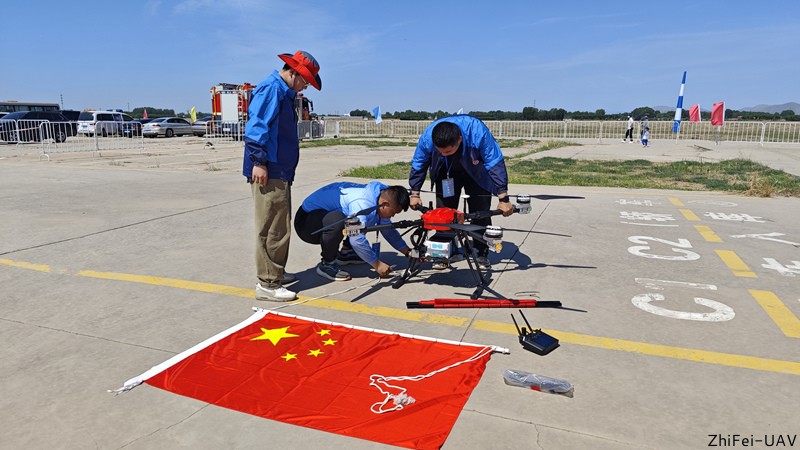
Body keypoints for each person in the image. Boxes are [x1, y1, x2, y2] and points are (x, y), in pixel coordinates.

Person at [243, 50, 322, 302]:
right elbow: (257, 126)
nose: (305, 87)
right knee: (272, 227)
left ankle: (274, 271)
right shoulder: (272, 89)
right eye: (304, 81)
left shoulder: (283, 92)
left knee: (279, 224)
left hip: (279, 169)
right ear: (292, 72)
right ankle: (268, 283)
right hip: (270, 168)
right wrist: (259, 162)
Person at [408, 115, 513, 269]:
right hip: (447, 173)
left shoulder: (477, 132)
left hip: (477, 171)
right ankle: (443, 253)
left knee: (480, 210)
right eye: (441, 152)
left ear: (459, 139)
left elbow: (494, 161)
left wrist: (503, 198)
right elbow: (419, 163)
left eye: (448, 151)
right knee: (443, 212)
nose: (444, 154)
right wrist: (415, 194)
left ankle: (480, 251)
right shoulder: (428, 138)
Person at [294, 182, 412, 281]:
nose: (393, 215)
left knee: (364, 220)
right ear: (385, 204)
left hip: (323, 215)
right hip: (307, 224)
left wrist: (409, 252)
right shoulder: (362, 204)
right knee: (343, 220)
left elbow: (388, 231)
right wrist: (377, 264)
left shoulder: (381, 195)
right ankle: (327, 263)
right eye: (394, 212)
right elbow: (356, 238)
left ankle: (347, 253)